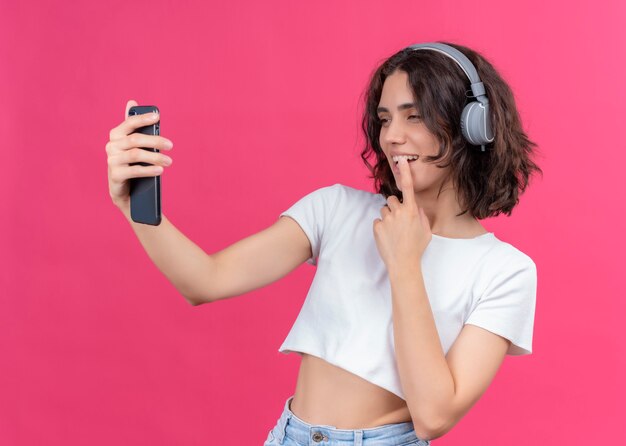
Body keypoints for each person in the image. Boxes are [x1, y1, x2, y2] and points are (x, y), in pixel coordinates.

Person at [105, 40, 542, 445]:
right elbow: (205, 280)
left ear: (473, 126)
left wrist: (405, 263)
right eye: (385, 118)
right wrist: (135, 208)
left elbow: (434, 415)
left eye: (414, 116)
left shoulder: (506, 272)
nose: (391, 136)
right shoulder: (335, 209)